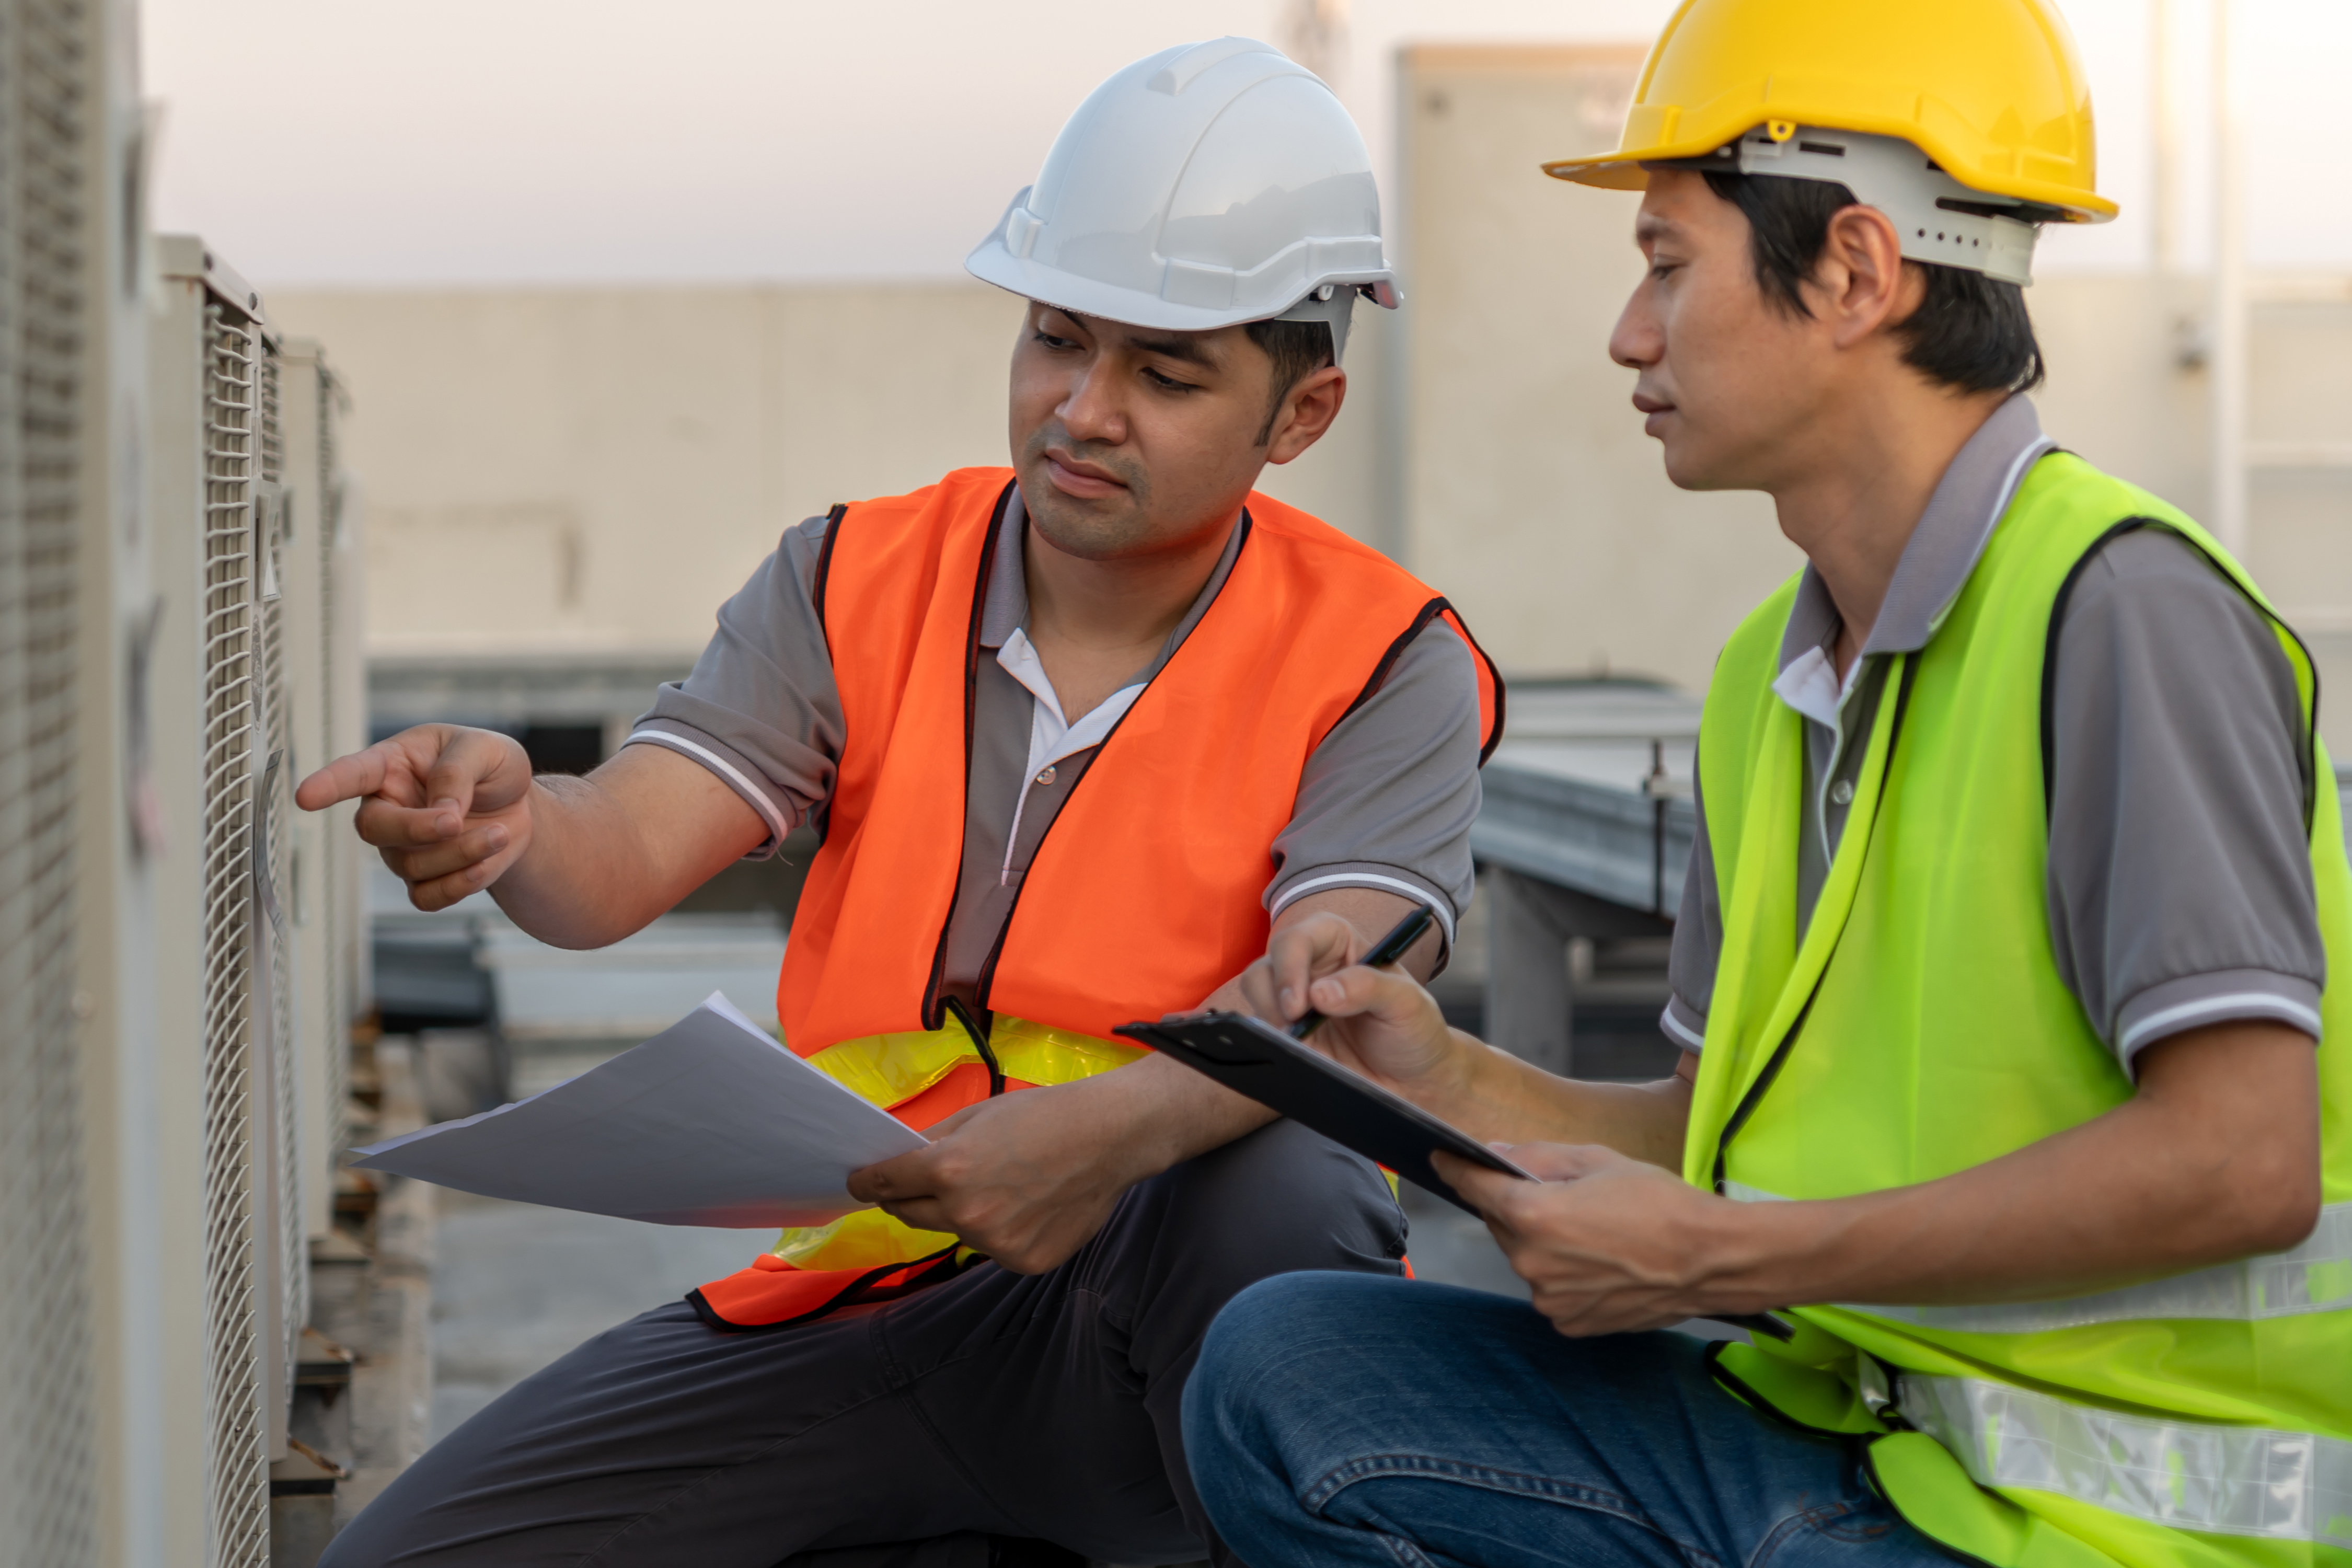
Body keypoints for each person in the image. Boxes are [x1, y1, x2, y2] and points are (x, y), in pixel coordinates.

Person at [302, 38, 1500, 1568]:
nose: (1083, 408)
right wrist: (514, 818)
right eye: (1058, 339)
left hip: (1171, 1305)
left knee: (1279, 1183)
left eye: (1166, 372)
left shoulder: (1383, 657)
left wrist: (1094, 1140)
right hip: (882, 1280)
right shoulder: (852, 577)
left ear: (1302, 412)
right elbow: (620, 857)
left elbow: (1331, 1002)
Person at [1181, 3, 2349, 1567]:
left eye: (1666, 264)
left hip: (2090, 1527)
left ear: (1857, 269)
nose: (1627, 333)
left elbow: (2240, 1161)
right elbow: (1711, 1135)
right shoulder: (1768, 679)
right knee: (1286, 1371)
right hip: (1833, 1438)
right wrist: (1441, 1076)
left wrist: (1720, 1258)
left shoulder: (2122, 610)